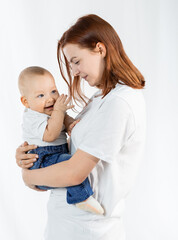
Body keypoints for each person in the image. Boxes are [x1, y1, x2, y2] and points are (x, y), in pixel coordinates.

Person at [16, 14, 146, 240]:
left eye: (76, 61)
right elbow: (71, 148)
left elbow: (74, 172)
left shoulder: (120, 103)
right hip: (67, 224)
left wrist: (29, 176)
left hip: (88, 230)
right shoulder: (100, 98)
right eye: (71, 64)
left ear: (100, 49)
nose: (74, 71)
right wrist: (30, 154)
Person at [17, 66, 104, 215]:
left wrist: (70, 123)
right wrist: (59, 111)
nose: (50, 98)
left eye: (53, 91)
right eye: (40, 96)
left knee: (69, 162)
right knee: (70, 163)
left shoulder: (53, 112)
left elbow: (63, 119)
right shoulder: (32, 117)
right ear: (26, 102)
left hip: (54, 154)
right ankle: (80, 198)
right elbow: (50, 134)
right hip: (42, 158)